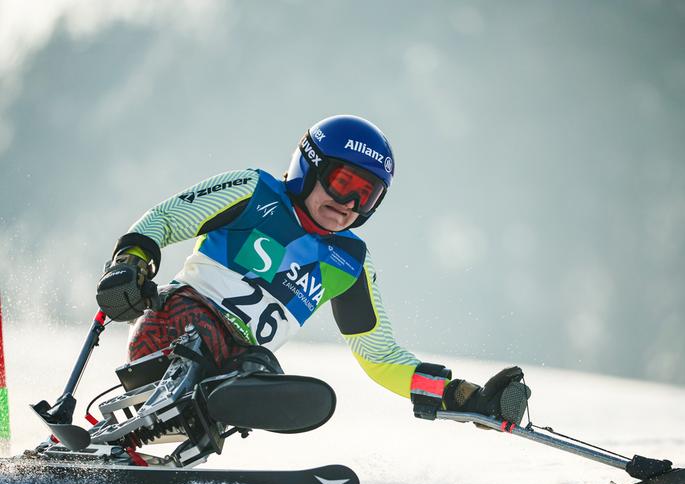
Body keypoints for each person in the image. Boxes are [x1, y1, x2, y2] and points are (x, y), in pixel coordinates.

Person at [95, 115, 530, 427]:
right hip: (173, 330)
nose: (350, 205)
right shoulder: (255, 191)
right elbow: (165, 220)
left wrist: (460, 396)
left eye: (368, 196)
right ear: (310, 166)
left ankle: (219, 408)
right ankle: (199, 397)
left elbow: (380, 356)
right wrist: (130, 263)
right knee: (206, 333)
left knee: (259, 365)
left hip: (235, 370)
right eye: (344, 184)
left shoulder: (349, 263)